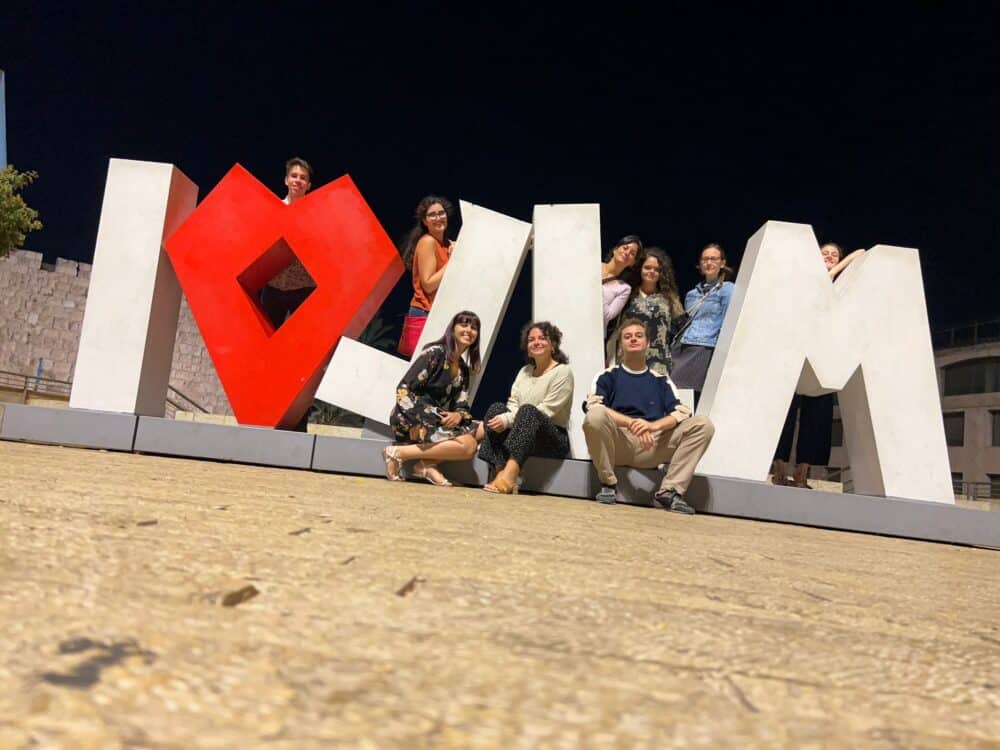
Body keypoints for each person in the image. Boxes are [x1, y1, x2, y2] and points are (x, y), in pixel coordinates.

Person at [582, 319, 715, 513]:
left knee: (703, 424)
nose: (633, 339)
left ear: (648, 343)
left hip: (651, 444)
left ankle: (668, 491)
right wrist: (632, 423)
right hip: (619, 443)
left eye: (638, 336)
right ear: (621, 345)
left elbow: (680, 413)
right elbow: (594, 405)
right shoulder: (607, 376)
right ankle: (608, 484)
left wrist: (653, 427)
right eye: (627, 337)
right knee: (595, 414)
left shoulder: (661, 380)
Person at [771, 242, 864, 488]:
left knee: (817, 418)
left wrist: (833, 272)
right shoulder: (805, 279)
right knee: (784, 414)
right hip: (798, 352)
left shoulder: (843, 284)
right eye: (825, 253)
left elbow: (860, 253)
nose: (830, 257)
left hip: (826, 356)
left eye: (834, 254)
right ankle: (779, 471)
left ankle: (802, 474)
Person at [383, 311, 482, 486]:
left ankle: (426, 465)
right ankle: (398, 453)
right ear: (453, 329)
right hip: (411, 417)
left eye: (474, 328)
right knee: (468, 446)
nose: (469, 330)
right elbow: (404, 390)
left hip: (439, 418)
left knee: (484, 428)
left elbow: (462, 404)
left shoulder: (464, 370)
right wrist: (422, 419)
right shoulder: (434, 353)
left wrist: (458, 415)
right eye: (464, 325)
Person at [477, 321, 574, 494]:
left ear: (553, 345)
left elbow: (547, 410)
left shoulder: (563, 372)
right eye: (531, 340)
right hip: (521, 430)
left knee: (529, 411)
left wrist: (507, 420)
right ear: (527, 347)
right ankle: (500, 473)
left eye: (542, 338)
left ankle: (510, 474)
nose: (536, 342)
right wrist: (504, 418)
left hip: (551, 438)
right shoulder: (524, 371)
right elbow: (513, 403)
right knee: (496, 409)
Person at [670, 243, 735, 399]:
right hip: (682, 344)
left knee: (681, 389)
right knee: (670, 388)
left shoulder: (727, 289)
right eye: (705, 259)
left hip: (704, 346)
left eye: (713, 259)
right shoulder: (692, 294)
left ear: (722, 263)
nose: (709, 262)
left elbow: (729, 321)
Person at [397, 195, 457, 357]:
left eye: (441, 213)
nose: (438, 217)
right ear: (425, 221)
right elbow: (429, 284)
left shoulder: (446, 245)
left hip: (436, 314)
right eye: (432, 215)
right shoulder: (428, 242)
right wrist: (454, 260)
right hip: (424, 314)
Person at [611, 246, 685, 375]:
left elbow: (682, 329)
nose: (652, 272)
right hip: (628, 360)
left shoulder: (670, 298)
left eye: (657, 269)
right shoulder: (627, 294)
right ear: (640, 268)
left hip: (659, 363)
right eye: (647, 267)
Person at [260, 157, 315, 329]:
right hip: (273, 286)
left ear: (308, 185)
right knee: (265, 337)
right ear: (286, 180)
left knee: (301, 342)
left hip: (303, 289)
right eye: (294, 176)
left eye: (303, 178)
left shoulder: (316, 216)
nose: (298, 180)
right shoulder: (272, 210)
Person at [600, 235, 642, 328]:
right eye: (625, 248)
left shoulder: (624, 288)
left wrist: (597, 289)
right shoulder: (593, 264)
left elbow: (607, 316)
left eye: (632, 253)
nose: (627, 253)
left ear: (633, 262)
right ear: (615, 249)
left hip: (595, 332)